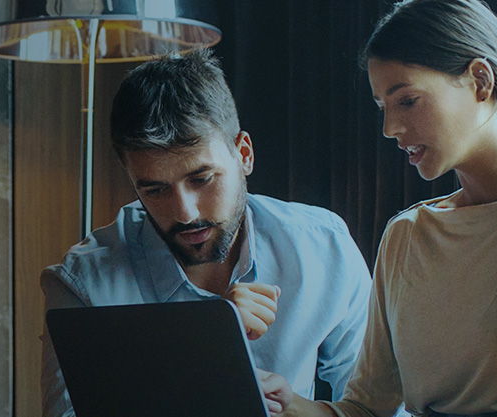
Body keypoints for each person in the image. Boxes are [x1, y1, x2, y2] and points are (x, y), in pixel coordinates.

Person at [258, 0, 497, 416]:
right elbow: (366, 409)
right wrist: (288, 404)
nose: (390, 129)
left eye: (407, 100)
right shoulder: (406, 234)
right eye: (381, 107)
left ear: (481, 81)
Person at [40, 48, 373, 417]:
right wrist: (207, 343)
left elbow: (375, 407)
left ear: (243, 154)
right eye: (155, 190)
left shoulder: (323, 246)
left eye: (201, 179)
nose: (185, 213)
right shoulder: (82, 283)